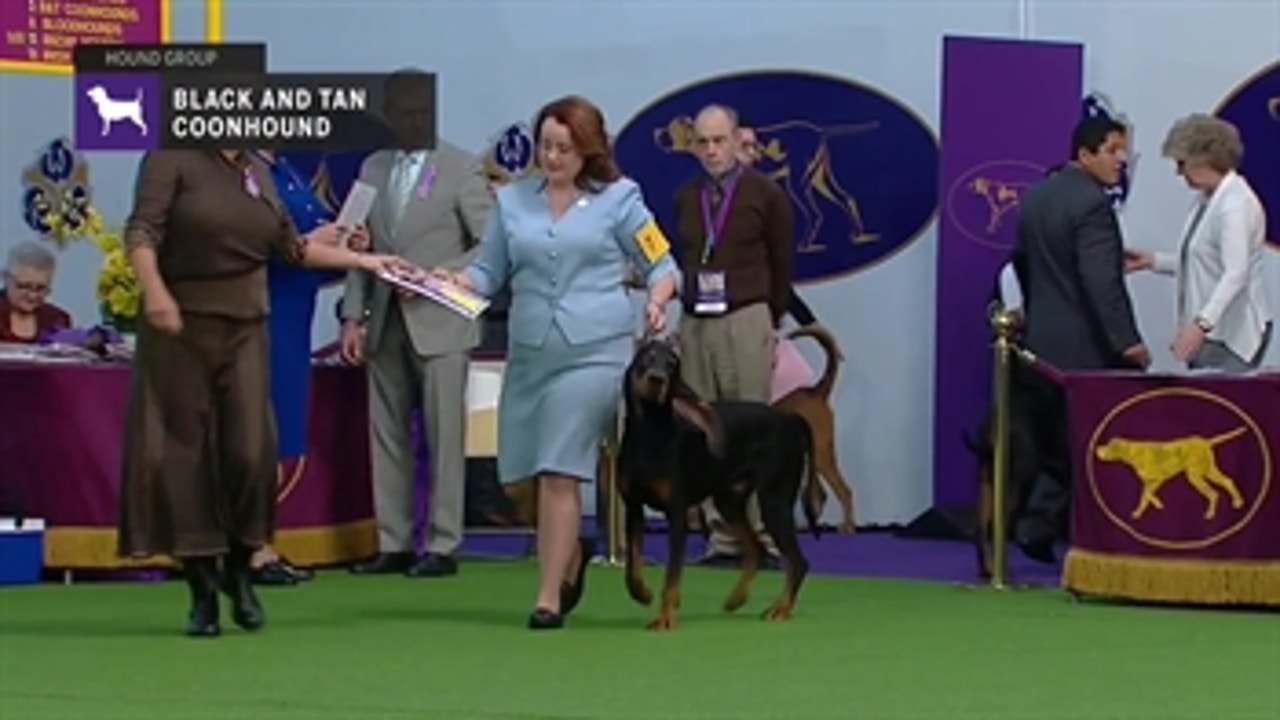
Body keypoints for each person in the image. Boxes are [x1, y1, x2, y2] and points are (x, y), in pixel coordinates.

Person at [116, 149, 401, 638]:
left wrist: (364, 259)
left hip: (246, 326)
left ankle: (240, 561)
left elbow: (292, 248)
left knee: (251, 452)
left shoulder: (259, 172)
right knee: (189, 459)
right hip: (181, 326)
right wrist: (155, 290)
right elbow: (142, 230)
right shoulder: (171, 159)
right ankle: (204, 590)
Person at [436, 95, 678, 629]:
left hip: (595, 352)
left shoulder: (621, 198)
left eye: (564, 148)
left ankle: (547, 598)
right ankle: (571, 549)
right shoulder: (512, 201)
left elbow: (661, 262)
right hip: (530, 353)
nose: (551, 157)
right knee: (518, 479)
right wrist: (454, 281)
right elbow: (488, 271)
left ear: (588, 149)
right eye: (546, 145)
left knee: (558, 469)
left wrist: (658, 299)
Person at [340, 68, 493, 579]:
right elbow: (354, 244)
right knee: (386, 435)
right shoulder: (372, 168)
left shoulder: (462, 168)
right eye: (404, 112)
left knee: (444, 434)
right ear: (389, 115)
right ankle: (394, 541)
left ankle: (444, 543)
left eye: (422, 111)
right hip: (384, 319)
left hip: (443, 320)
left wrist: (442, 279)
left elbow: (490, 247)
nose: (414, 120)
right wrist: (351, 317)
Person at [1010, 116, 1150, 562]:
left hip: (1040, 342)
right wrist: (1127, 341)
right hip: (1083, 346)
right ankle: (1051, 528)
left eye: (1123, 151)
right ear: (1084, 154)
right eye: (1112, 150)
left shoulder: (1037, 196)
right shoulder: (1092, 205)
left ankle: (1032, 526)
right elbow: (1099, 283)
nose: (1121, 160)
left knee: (1049, 443)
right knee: (1082, 443)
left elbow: (1023, 265)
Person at [673, 105, 794, 569]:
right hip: (696, 319)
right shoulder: (685, 197)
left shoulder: (766, 195)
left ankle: (760, 537)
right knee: (703, 428)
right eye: (702, 142)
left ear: (737, 138)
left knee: (753, 428)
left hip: (747, 316)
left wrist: (772, 319)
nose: (711, 150)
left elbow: (782, 262)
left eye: (719, 140)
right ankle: (722, 538)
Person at [1124, 114, 1273, 371]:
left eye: (1182, 163)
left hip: (1231, 336)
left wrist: (1200, 325)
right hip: (1213, 333)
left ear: (1206, 158)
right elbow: (1204, 260)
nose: (1178, 172)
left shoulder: (1235, 206)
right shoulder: (1207, 200)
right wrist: (1154, 261)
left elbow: (1235, 273)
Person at [0, 242, 71, 344]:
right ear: (5, 278)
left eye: (40, 289)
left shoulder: (57, 319)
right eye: (24, 286)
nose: (32, 296)